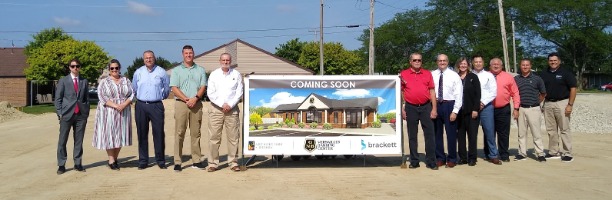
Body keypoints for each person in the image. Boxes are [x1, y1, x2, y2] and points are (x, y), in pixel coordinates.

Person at [170, 45, 207, 172]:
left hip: (196, 103)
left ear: (194, 54)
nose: (188, 55)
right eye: (186, 53)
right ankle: (177, 162)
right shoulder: (176, 70)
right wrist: (186, 99)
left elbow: (203, 86)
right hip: (181, 103)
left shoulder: (200, 70)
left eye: (190, 53)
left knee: (196, 134)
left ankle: (196, 161)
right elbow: (174, 87)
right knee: (179, 133)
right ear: (182, 54)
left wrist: (195, 98)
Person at [92, 59, 134, 170]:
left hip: (124, 111)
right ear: (109, 70)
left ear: (120, 68)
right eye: (112, 68)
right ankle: (111, 160)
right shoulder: (104, 82)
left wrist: (124, 104)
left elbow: (132, 94)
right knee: (110, 135)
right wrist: (116, 106)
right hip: (109, 111)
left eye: (116, 68)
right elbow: (101, 96)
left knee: (121, 135)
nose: (114, 70)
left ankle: (115, 158)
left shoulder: (126, 80)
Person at [132, 50, 170, 169]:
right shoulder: (138, 72)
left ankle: (160, 160)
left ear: (154, 58)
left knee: (158, 133)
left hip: (156, 105)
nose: (148, 59)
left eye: (151, 57)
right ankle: (143, 161)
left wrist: (158, 97)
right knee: (142, 133)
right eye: (146, 58)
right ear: (143, 59)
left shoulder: (162, 72)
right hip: (141, 105)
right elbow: (134, 88)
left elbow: (166, 89)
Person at [400, 52, 439, 170]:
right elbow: (401, 92)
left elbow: (432, 91)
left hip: (426, 107)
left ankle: (431, 161)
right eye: (415, 60)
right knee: (412, 135)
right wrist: (402, 108)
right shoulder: (404, 74)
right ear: (410, 62)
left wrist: (434, 108)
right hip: (410, 107)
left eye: (419, 60)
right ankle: (414, 161)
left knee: (430, 135)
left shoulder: (427, 74)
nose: (417, 62)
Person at [207, 53, 243, 172]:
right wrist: (222, 104)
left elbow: (239, 92)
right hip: (216, 109)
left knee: (233, 137)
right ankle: (213, 163)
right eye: (223, 60)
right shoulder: (214, 74)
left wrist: (230, 105)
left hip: (232, 110)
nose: (226, 62)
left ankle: (233, 162)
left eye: (228, 60)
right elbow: (211, 93)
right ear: (220, 60)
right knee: (214, 137)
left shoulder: (236, 74)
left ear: (230, 61)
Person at [54, 58, 90, 174]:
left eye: (78, 66)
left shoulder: (84, 81)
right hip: (66, 115)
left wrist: (86, 112)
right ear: (69, 67)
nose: (75, 68)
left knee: (79, 140)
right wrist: (60, 113)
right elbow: (58, 99)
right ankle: (61, 164)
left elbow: (86, 99)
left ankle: (78, 163)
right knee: (62, 140)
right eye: (73, 66)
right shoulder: (63, 81)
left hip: (80, 115)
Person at [540, 52, 577, 162]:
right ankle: (553, 152)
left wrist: (570, 105)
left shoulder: (566, 73)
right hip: (548, 103)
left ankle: (567, 153)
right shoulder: (543, 73)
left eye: (555, 60)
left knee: (564, 129)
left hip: (562, 103)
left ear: (559, 61)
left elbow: (573, 89)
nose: (553, 62)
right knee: (551, 130)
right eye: (551, 60)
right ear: (548, 61)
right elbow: (541, 90)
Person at [432, 54, 463, 168]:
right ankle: (440, 157)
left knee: (451, 134)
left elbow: (458, 94)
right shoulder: (432, 74)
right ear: (437, 62)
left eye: (444, 60)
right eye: (440, 60)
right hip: (436, 105)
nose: (442, 62)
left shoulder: (454, 75)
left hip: (449, 105)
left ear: (448, 62)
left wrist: (455, 111)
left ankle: (452, 158)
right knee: (437, 134)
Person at [514, 59, 547, 162]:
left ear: (530, 66)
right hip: (521, 108)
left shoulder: (537, 79)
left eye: (527, 65)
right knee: (521, 133)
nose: (525, 67)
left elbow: (543, 93)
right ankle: (522, 153)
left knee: (536, 132)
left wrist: (537, 102)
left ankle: (540, 153)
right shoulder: (516, 79)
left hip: (534, 108)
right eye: (523, 65)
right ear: (520, 66)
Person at [489, 58, 520, 162]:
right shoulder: (486, 76)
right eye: (494, 64)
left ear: (502, 66)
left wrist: (516, 108)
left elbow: (515, 93)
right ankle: (490, 153)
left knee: (503, 133)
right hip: (488, 108)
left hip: (503, 108)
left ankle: (504, 154)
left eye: (498, 64)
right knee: (489, 132)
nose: (496, 66)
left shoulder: (508, 77)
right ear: (490, 66)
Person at [471, 55, 501, 165]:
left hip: (486, 107)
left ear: (483, 63)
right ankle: (472, 155)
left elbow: (493, 92)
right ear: (473, 63)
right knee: (472, 133)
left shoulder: (489, 75)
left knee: (489, 131)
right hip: (472, 107)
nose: (478, 63)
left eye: (480, 62)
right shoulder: (470, 75)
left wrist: (482, 103)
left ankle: (493, 155)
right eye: (476, 62)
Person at [455, 57, 481, 166]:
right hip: (459, 112)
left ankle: (472, 158)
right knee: (460, 137)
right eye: (461, 64)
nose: (463, 66)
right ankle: (462, 157)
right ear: (458, 65)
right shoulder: (455, 77)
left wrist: (475, 109)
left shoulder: (473, 77)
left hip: (471, 112)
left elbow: (478, 94)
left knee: (472, 136)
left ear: (468, 65)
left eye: (465, 64)